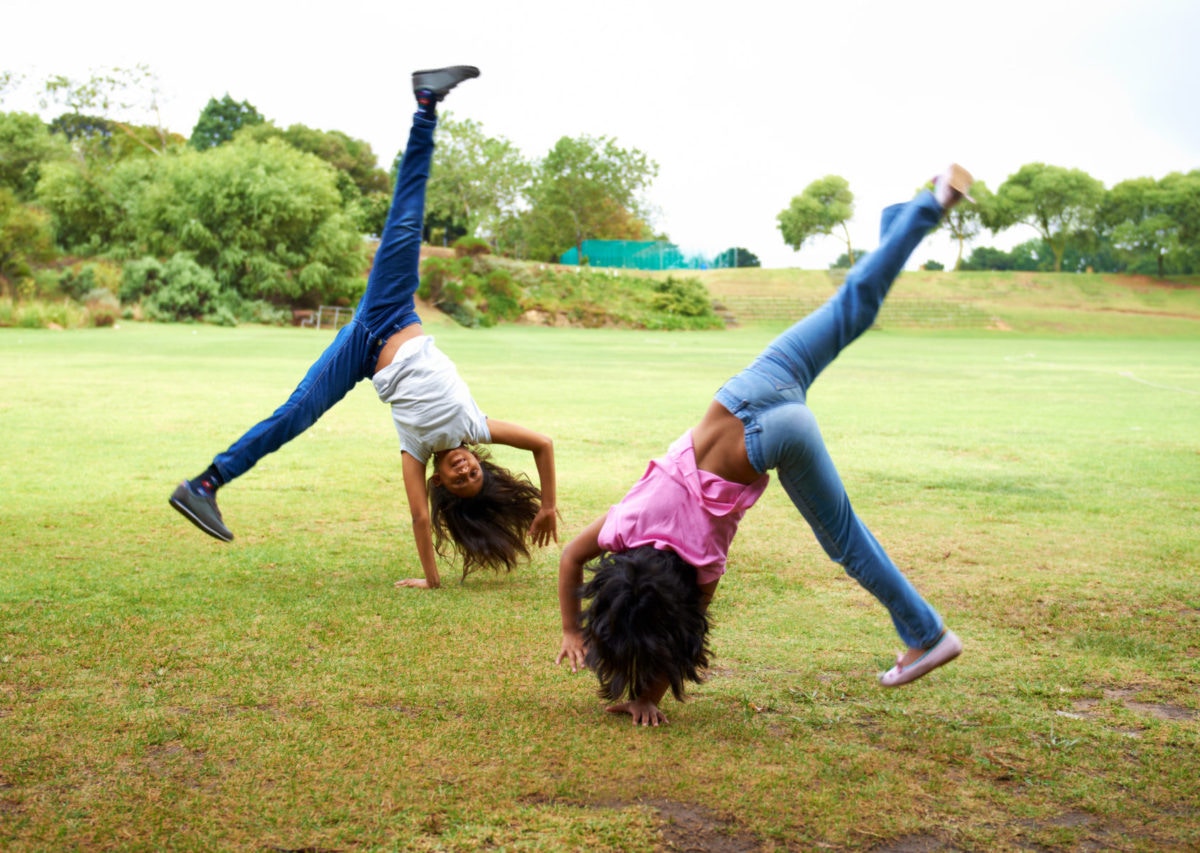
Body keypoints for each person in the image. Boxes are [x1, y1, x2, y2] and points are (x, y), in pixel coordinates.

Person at [555, 166, 974, 725]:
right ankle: (922, 209)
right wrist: (568, 623)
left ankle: (928, 633)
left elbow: (684, 636)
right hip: (750, 389)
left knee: (846, 539)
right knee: (855, 304)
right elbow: (571, 558)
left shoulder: (701, 567)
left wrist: (645, 694)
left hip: (774, 440)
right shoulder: (623, 526)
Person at [170, 66, 558, 589]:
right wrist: (549, 505)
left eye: (457, 481)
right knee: (405, 222)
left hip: (360, 350)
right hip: (392, 313)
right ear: (481, 465)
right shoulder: (474, 425)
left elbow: (421, 519)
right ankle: (426, 105)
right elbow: (543, 445)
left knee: (295, 415)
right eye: (474, 475)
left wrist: (432, 579)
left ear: (441, 481)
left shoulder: (415, 452)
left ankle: (204, 485)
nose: (465, 472)